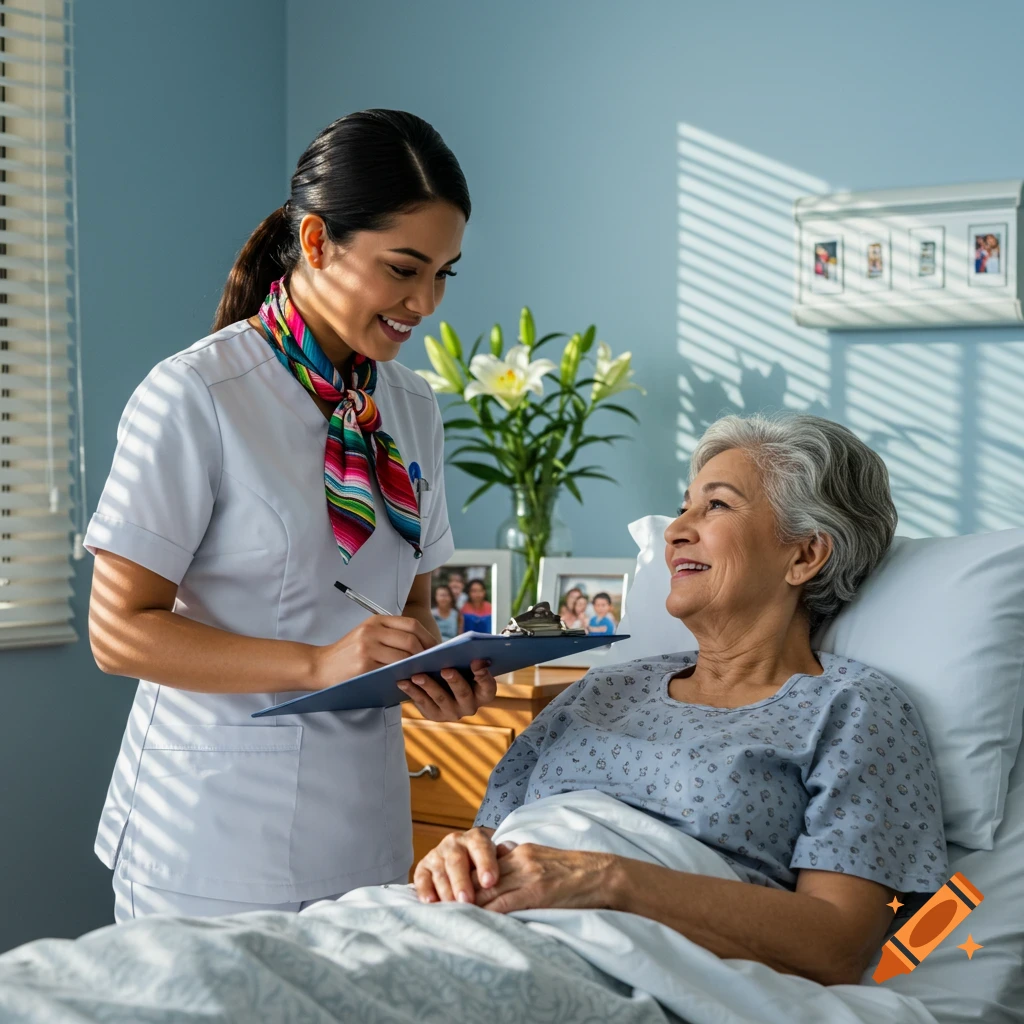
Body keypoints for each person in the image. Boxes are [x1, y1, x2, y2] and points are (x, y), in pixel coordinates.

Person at [85, 109, 499, 922]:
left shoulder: (412, 408)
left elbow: (403, 605)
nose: (425, 301)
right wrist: (316, 664)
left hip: (363, 828)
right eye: (403, 269)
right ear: (316, 243)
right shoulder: (195, 396)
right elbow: (119, 632)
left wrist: (431, 670)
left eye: (446, 273)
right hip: (209, 829)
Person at [414, 413, 948, 988]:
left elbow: (836, 943)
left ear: (805, 555)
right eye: (684, 506)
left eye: (716, 506)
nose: (676, 530)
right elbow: (490, 845)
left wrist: (602, 879)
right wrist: (456, 857)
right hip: (466, 922)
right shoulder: (605, 687)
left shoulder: (852, 709)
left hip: (600, 961)